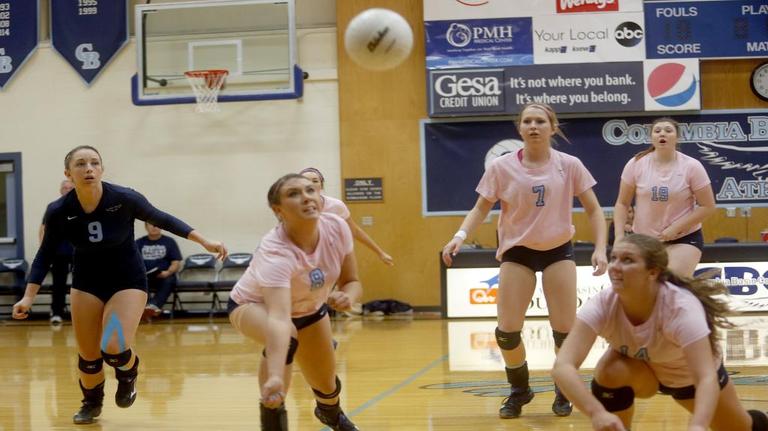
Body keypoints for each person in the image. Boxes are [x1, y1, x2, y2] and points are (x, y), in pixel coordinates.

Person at [12, 145, 227, 425]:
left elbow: (162, 218)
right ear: (68, 173)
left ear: (102, 169)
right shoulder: (59, 210)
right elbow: (45, 254)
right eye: (80, 164)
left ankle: (128, 372)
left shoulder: (124, 198)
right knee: (89, 358)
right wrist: (28, 297)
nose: (88, 168)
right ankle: (91, 403)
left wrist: (204, 241)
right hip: (87, 283)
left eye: (94, 163)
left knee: (113, 346)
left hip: (126, 281)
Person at [442, 102, 608, 419]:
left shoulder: (569, 165)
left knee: (564, 330)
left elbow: (594, 210)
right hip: (517, 251)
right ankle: (520, 390)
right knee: (507, 332)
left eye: (540, 121)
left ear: (552, 127)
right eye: (527, 121)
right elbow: (480, 208)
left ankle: (564, 388)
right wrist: (459, 236)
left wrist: (600, 248)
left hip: (558, 249)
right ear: (519, 128)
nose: (533, 126)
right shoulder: (501, 167)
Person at [552, 233, 768, 431]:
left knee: (741, 428)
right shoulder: (603, 303)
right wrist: (596, 413)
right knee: (610, 370)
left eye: (627, 260)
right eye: (614, 258)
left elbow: (705, 377)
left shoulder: (681, 308)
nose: (615, 266)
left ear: (653, 272)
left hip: (687, 377)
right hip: (642, 372)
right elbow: (562, 366)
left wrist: (698, 426)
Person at [228, 173, 362, 431]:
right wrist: (276, 375)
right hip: (252, 305)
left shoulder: (337, 227)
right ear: (278, 210)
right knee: (286, 337)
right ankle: (273, 412)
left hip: (309, 309)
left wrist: (349, 296)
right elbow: (279, 318)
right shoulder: (275, 251)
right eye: (294, 194)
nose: (306, 197)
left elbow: (353, 281)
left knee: (327, 387)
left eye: (310, 190)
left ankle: (331, 414)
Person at [613, 117, 716, 277]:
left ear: (677, 137)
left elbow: (708, 206)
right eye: (657, 131)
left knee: (669, 282)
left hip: (683, 238)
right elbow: (622, 203)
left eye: (668, 130)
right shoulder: (636, 164)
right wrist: (619, 237)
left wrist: (675, 228)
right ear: (651, 137)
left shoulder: (692, 166)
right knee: (641, 285)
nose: (662, 134)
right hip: (643, 240)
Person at [299, 167, 393, 266]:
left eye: (315, 181)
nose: (311, 184)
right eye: (306, 181)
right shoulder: (294, 207)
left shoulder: (336, 205)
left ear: (321, 185)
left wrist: (380, 253)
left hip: (331, 259)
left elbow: (355, 231)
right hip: (303, 260)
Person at [39, 179, 75, 325]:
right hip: (58, 251)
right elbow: (44, 228)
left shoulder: (82, 205)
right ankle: (57, 312)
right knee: (58, 283)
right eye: (65, 188)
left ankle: (83, 313)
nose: (67, 190)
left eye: (70, 188)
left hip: (79, 251)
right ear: (61, 190)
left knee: (83, 283)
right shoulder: (53, 207)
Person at [136, 221, 182, 321]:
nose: (154, 226)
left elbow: (176, 262)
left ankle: (153, 306)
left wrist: (168, 272)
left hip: (164, 275)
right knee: (138, 281)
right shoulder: (139, 243)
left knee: (169, 280)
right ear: (146, 227)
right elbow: (133, 262)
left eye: (157, 224)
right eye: (151, 224)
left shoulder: (170, 242)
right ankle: (146, 308)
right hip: (145, 276)